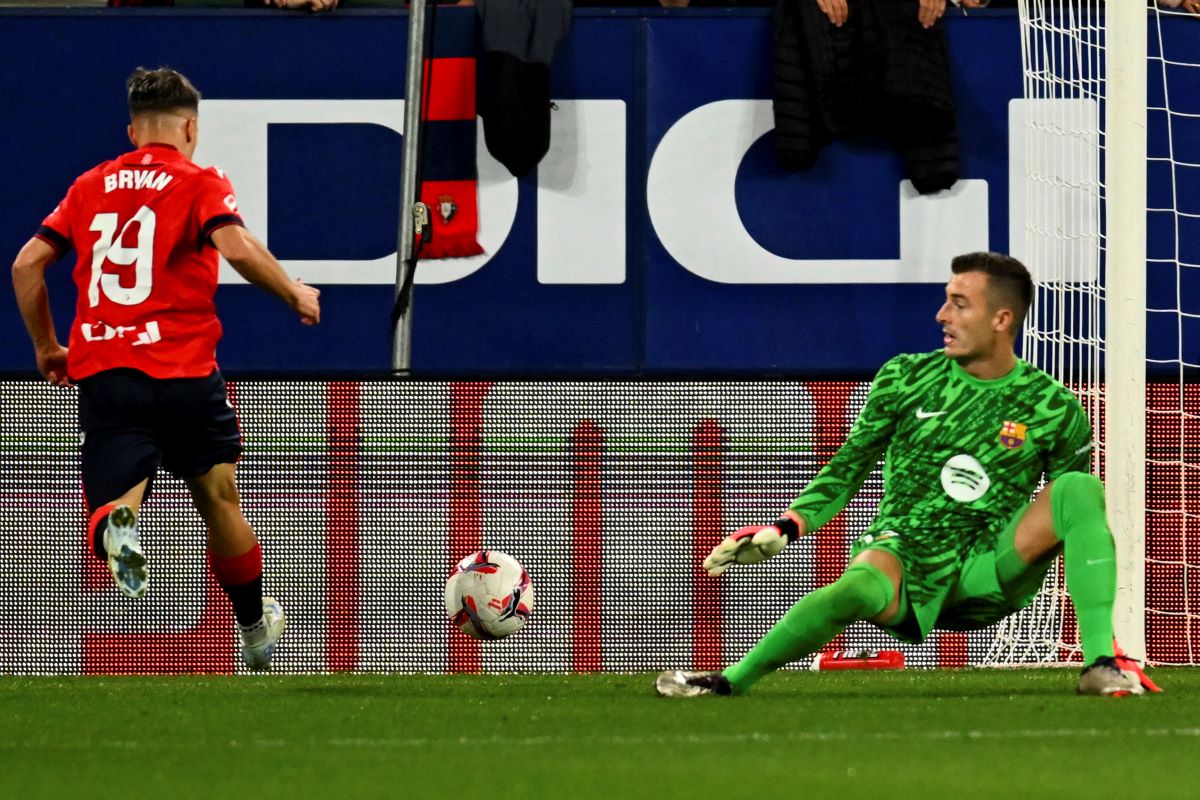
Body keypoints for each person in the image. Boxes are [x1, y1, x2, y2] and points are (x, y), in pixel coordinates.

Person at [656, 252, 1161, 698]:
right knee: (856, 588)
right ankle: (726, 681)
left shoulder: (1053, 405)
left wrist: (1103, 635)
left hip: (991, 567)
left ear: (1002, 318)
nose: (942, 314)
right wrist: (787, 526)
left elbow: (1073, 518)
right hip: (905, 554)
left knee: (1080, 487)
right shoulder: (905, 377)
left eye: (960, 303)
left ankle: (1100, 664)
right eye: (946, 300)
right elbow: (849, 465)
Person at [10, 67, 321, 671]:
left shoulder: (88, 185)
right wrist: (292, 292)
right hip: (183, 369)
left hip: (106, 370)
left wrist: (48, 347)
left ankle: (118, 530)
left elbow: (28, 265)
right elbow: (235, 246)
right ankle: (255, 631)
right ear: (190, 127)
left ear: (132, 131)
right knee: (218, 495)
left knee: (113, 499)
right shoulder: (199, 179)